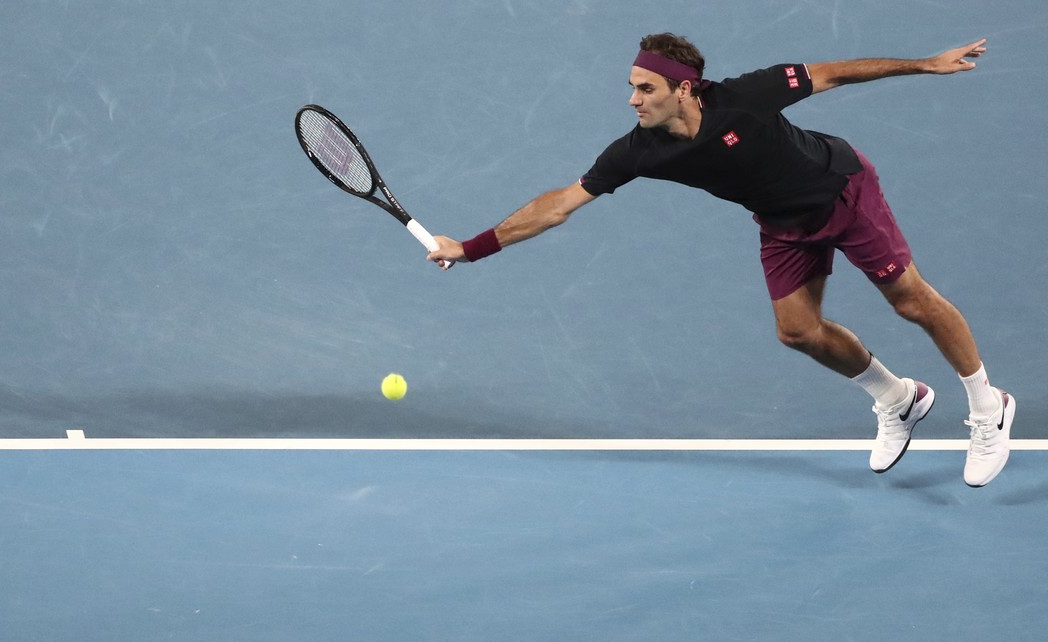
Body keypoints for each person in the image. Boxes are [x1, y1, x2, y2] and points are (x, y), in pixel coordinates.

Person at [428, 34, 1015, 487]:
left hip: (843, 189)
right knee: (798, 332)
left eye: (645, 89)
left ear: (684, 88)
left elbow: (834, 73)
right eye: (632, 87)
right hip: (784, 225)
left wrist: (925, 63)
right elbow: (559, 204)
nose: (633, 100)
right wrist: (471, 248)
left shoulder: (747, 97)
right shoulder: (639, 151)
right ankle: (899, 398)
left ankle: (989, 408)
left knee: (910, 300)